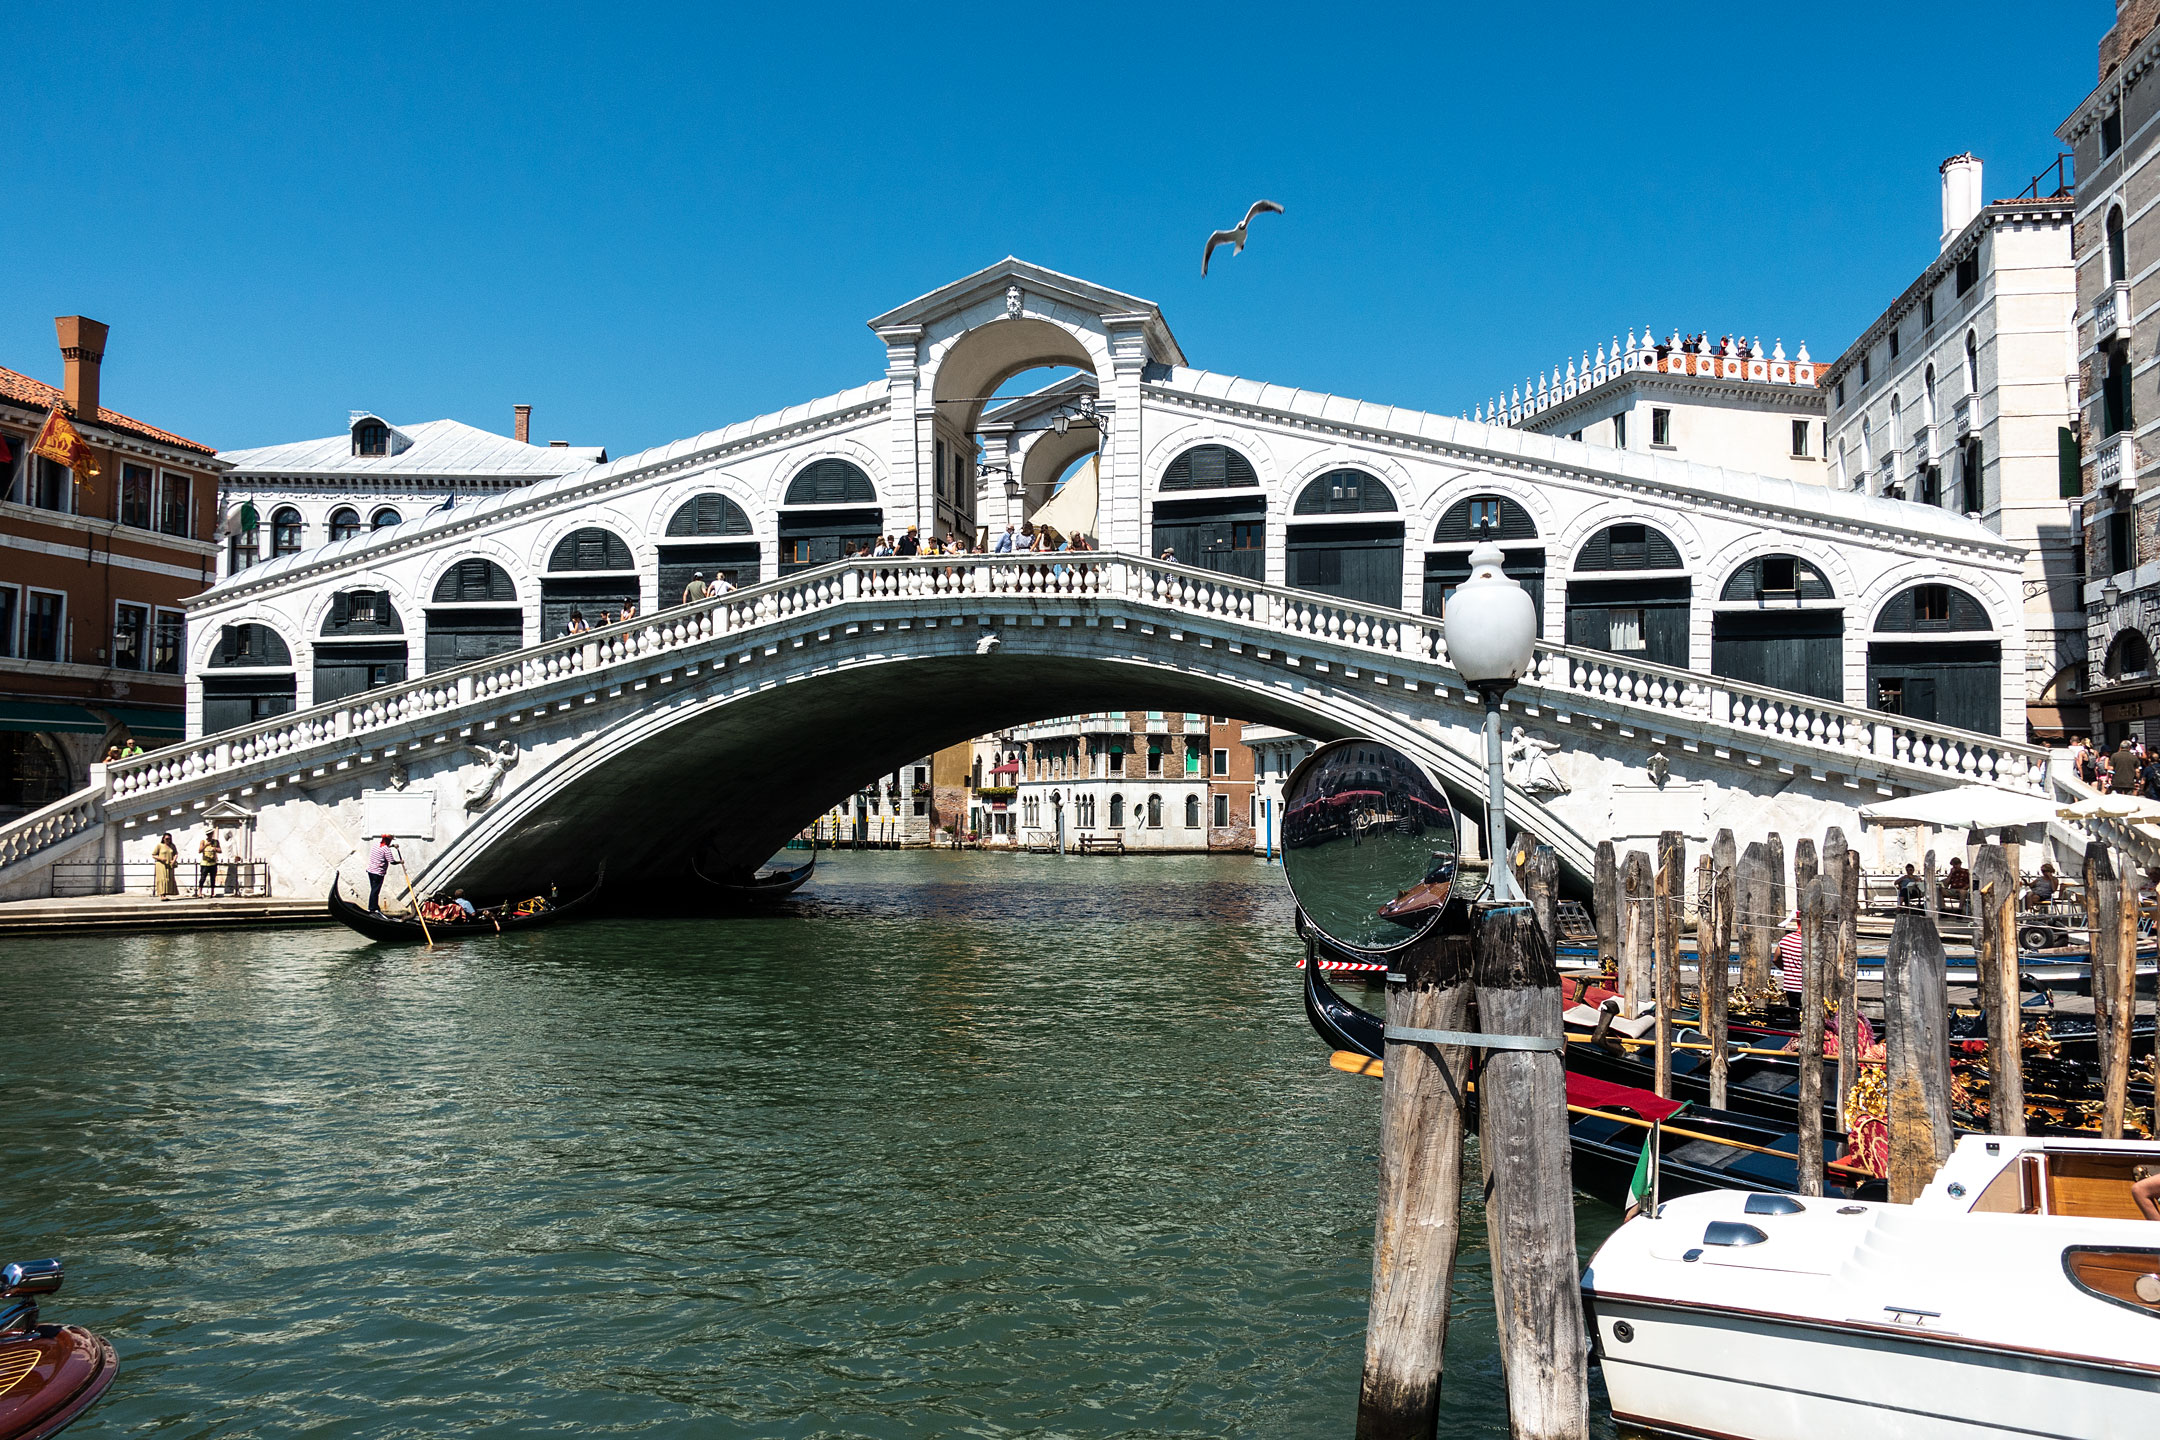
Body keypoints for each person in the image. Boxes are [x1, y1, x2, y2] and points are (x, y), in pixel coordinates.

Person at [1776, 910, 1805, 1000]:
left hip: (1790, 987)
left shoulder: (1786, 939)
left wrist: (1788, 970)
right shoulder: (1810, 943)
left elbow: (1776, 959)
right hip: (1806, 988)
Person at [366, 834, 397, 914]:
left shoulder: (376, 845)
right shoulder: (386, 850)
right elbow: (392, 861)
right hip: (378, 873)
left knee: (373, 890)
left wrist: (392, 846)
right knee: (375, 891)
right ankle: (372, 908)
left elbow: (383, 848)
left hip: (370, 871)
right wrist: (401, 862)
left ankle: (375, 907)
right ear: (388, 841)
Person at [196, 827, 222, 897]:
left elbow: (220, 851)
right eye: (208, 834)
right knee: (202, 878)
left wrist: (215, 848)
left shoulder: (216, 842)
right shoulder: (203, 841)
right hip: (205, 862)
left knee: (213, 878)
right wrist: (206, 845)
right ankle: (200, 892)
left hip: (213, 862)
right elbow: (200, 850)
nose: (209, 835)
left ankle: (212, 892)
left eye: (210, 834)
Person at [152, 833, 179, 900]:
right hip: (161, 864)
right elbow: (153, 855)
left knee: (169, 878)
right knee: (162, 878)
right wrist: (161, 858)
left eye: (169, 839)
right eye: (166, 839)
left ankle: (167, 893)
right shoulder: (159, 845)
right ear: (163, 839)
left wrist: (174, 860)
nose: (168, 840)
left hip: (169, 864)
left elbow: (176, 853)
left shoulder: (172, 846)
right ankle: (162, 895)